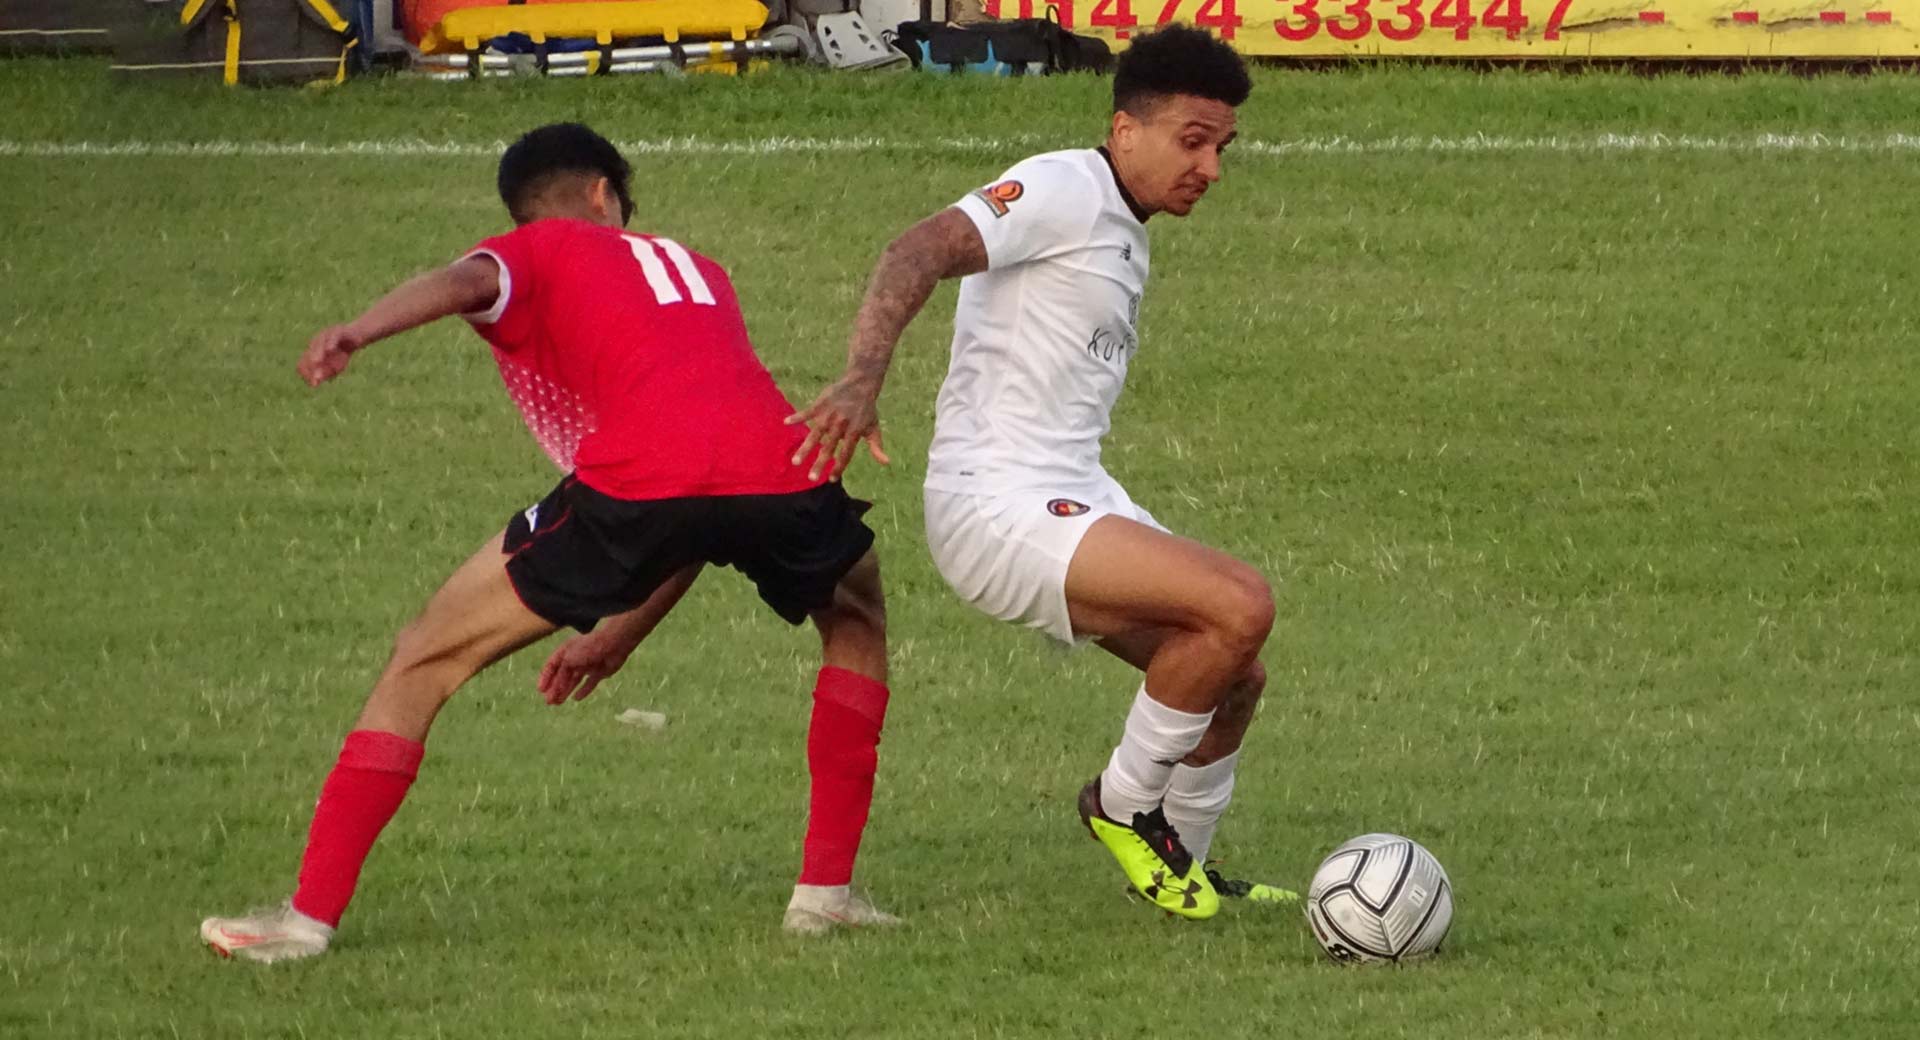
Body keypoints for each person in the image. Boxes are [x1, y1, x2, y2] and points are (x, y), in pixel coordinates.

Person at [201, 123, 898, 963]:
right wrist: (621, 632)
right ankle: (824, 897)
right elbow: (707, 506)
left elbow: (465, 282)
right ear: (605, 193)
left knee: (424, 656)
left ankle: (306, 920)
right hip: (784, 465)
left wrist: (360, 329)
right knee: (856, 616)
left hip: (640, 486)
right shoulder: (699, 270)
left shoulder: (536, 248)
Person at [788, 25, 1290, 920]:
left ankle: (1181, 867)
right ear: (1125, 129)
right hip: (997, 506)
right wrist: (862, 380)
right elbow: (916, 250)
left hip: (1068, 490)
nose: (1211, 169)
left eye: (1223, 148)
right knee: (1240, 602)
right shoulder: (1063, 187)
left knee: (1232, 676)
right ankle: (1122, 806)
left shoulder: (1123, 222)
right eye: (1193, 142)